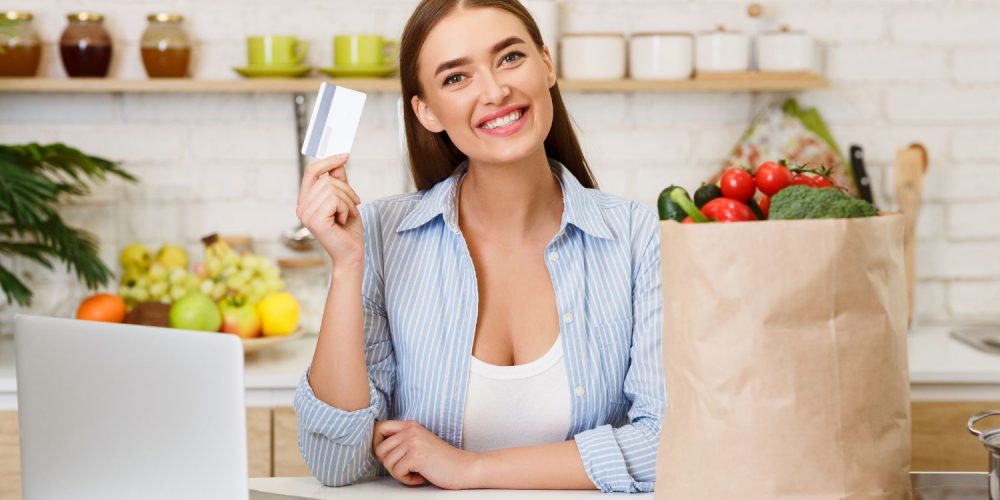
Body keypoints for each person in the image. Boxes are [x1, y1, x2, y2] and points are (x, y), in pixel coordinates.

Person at [293, 0, 665, 493]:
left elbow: (671, 442)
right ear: (426, 112)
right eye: (455, 78)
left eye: (510, 57)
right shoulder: (381, 234)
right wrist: (347, 266)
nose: (495, 90)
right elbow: (334, 463)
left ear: (546, 64)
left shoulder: (638, 236)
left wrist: (470, 469)